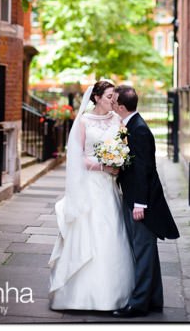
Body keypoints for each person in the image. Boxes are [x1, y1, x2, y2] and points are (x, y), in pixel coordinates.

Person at [48, 81, 135, 311]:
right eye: (108, 97)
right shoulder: (84, 121)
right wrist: (103, 167)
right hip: (90, 184)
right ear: (96, 98)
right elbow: (77, 157)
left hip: (109, 187)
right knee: (88, 231)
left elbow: (125, 149)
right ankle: (78, 296)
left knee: (111, 232)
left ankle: (113, 294)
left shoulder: (117, 120)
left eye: (114, 98)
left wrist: (118, 160)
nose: (113, 102)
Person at [111, 85, 180, 318]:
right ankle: (154, 299)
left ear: (121, 107)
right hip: (137, 197)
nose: (111, 104)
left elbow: (142, 169)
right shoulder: (130, 126)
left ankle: (138, 304)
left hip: (142, 201)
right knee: (147, 251)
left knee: (142, 251)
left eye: (114, 102)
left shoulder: (137, 129)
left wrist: (139, 204)